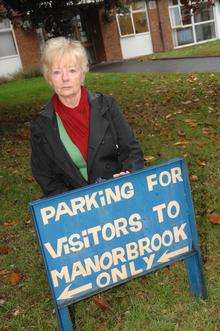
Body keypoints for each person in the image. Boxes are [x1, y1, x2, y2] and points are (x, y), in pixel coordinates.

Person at [30, 37, 144, 197]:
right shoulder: (41, 125)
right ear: (49, 78)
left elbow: (132, 150)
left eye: (72, 70)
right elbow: (45, 176)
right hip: (75, 207)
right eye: (57, 72)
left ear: (82, 74)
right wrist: (75, 202)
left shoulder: (107, 106)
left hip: (118, 195)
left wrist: (127, 175)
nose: (65, 78)